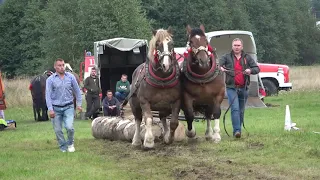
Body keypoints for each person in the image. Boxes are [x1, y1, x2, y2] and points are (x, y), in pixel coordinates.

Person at [219, 38, 260, 138]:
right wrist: (221, 68)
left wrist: (250, 70)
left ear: (242, 47)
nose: (236, 47)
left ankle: (238, 130)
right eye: (235, 45)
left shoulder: (247, 57)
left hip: (244, 88)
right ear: (232, 47)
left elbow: (257, 69)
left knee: (241, 110)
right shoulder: (226, 57)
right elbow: (218, 64)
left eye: (238, 45)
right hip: (231, 88)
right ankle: (236, 131)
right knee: (235, 109)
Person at [46, 58, 82, 152]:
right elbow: (48, 95)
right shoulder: (50, 80)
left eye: (63, 65)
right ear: (55, 67)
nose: (62, 67)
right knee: (58, 130)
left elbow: (77, 91)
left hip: (69, 106)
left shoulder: (70, 77)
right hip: (56, 108)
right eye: (59, 65)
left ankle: (70, 143)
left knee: (69, 127)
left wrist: (79, 104)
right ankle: (63, 147)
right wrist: (50, 109)